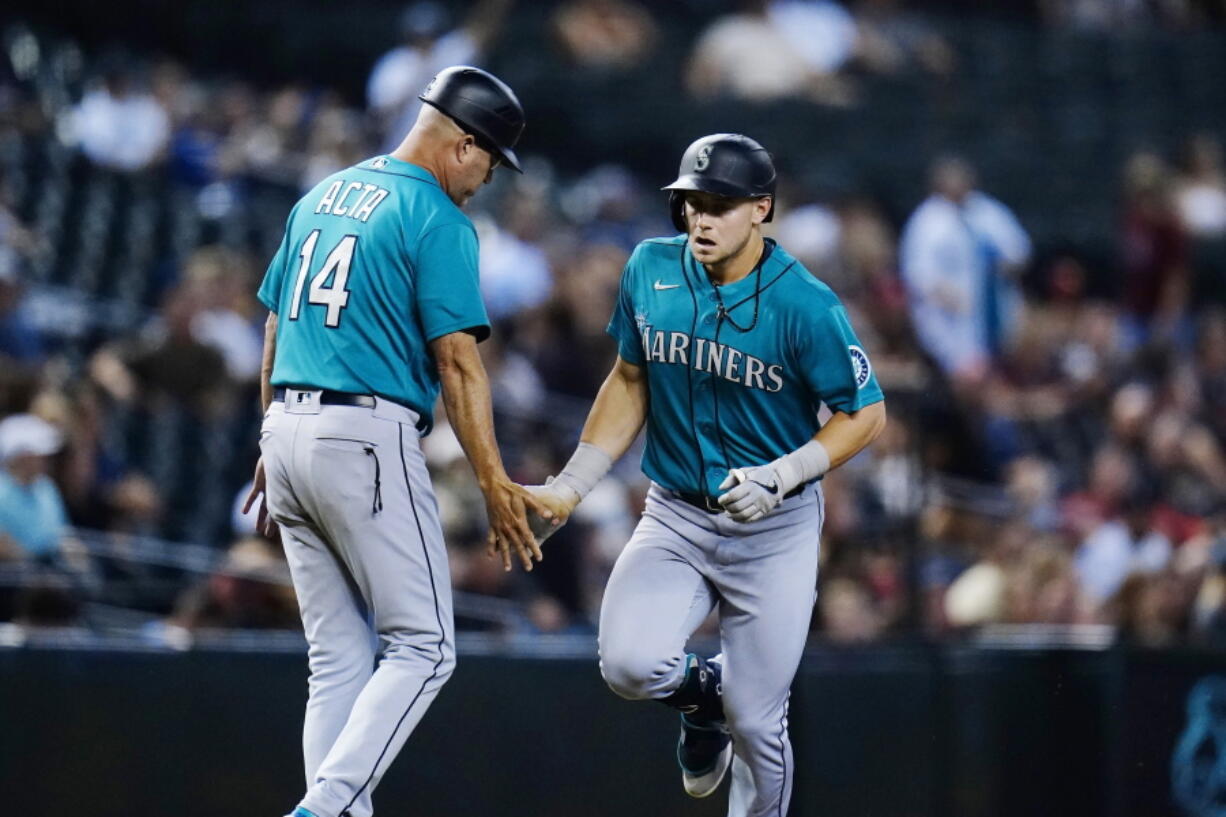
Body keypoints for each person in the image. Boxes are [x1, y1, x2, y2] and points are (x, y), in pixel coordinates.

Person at [527, 134, 887, 816]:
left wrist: (784, 474)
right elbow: (629, 378)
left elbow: (865, 413)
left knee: (758, 723)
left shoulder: (806, 303)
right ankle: (704, 700)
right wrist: (573, 481)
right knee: (628, 664)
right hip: (677, 512)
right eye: (691, 202)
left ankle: (734, 720)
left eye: (719, 204)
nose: (701, 217)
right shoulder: (649, 267)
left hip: (774, 525)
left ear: (762, 209)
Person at [242, 66, 552, 817]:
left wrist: (267, 435)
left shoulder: (322, 193)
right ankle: (323, 808)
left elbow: (276, 326)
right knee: (426, 646)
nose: (485, 180)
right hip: (364, 434)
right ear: (463, 144)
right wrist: (493, 483)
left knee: (339, 656)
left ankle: (333, 810)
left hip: (286, 424)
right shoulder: (437, 218)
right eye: (489, 161)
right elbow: (457, 363)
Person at [899, 156, 1031, 385]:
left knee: (1001, 372)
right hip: (951, 317)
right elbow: (917, 273)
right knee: (963, 376)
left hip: (995, 306)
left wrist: (1001, 267)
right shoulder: (927, 221)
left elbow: (1019, 251)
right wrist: (945, 294)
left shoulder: (987, 211)